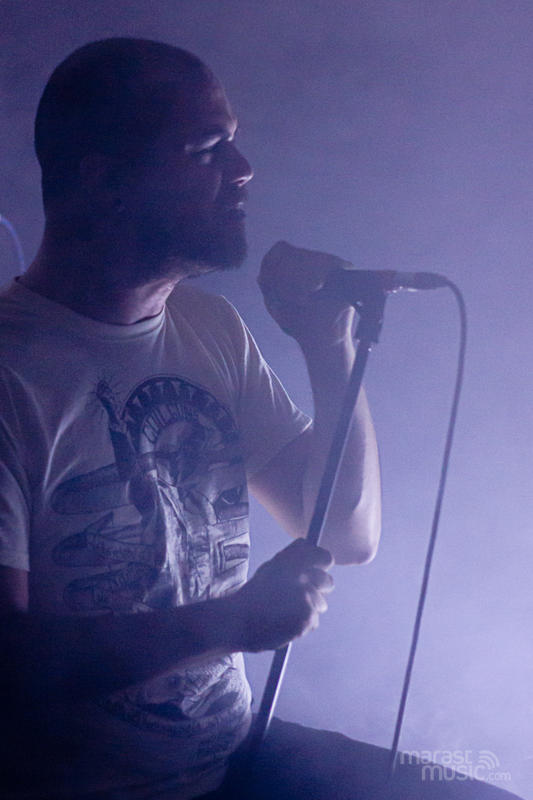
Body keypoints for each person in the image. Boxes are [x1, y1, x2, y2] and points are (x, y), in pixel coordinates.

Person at [0, 37, 522, 800]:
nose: (243, 169)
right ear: (102, 179)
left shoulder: (208, 327)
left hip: (233, 755)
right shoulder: (13, 372)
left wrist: (327, 347)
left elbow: (342, 533)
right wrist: (229, 623)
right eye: (206, 148)